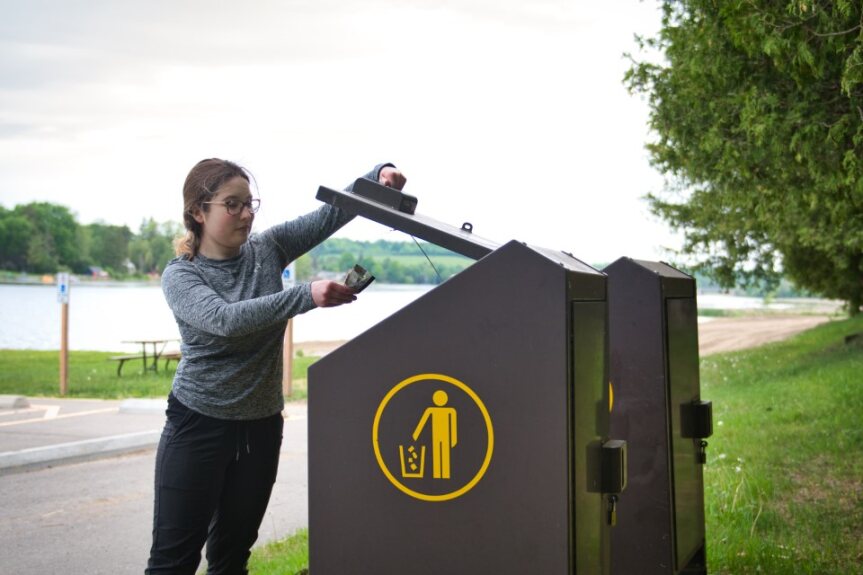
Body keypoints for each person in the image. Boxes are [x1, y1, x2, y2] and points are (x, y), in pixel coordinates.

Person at [146, 158, 406, 574]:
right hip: (197, 427)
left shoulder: (268, 249)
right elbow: (224, 320)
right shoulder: (181, 275)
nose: (246, 215)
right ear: (198, 212)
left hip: (260, 428)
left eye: (250, 204)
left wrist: (379, 177)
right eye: (233, 204)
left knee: (232, 559)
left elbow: (332, 213)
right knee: (172, 562)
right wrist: (307, 295)